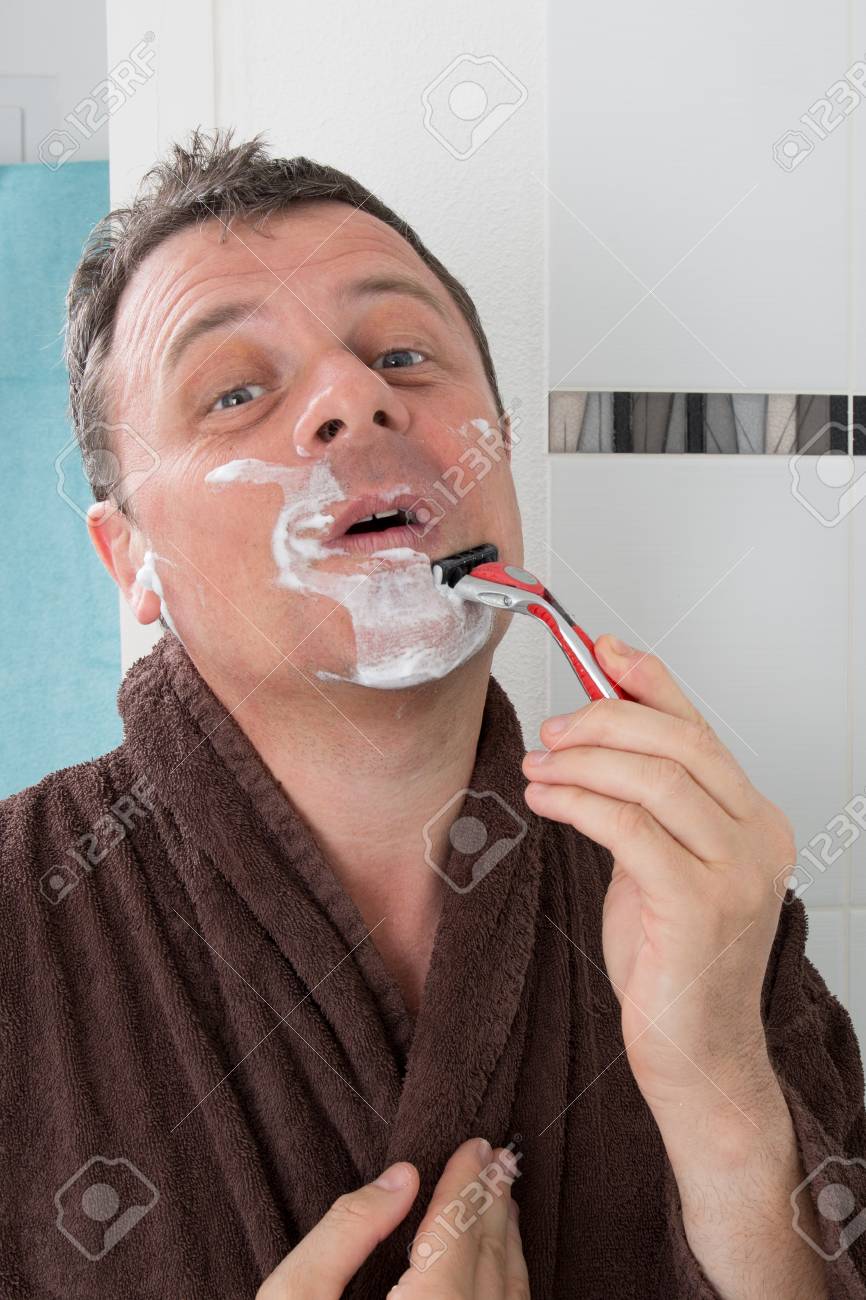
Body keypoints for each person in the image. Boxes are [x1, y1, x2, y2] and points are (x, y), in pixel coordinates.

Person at [2, 128, 864, 1298]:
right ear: (130, 559)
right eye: (236, 390)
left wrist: (721, 1091)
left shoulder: (702, 903)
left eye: (403, 355)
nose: (354, 396)